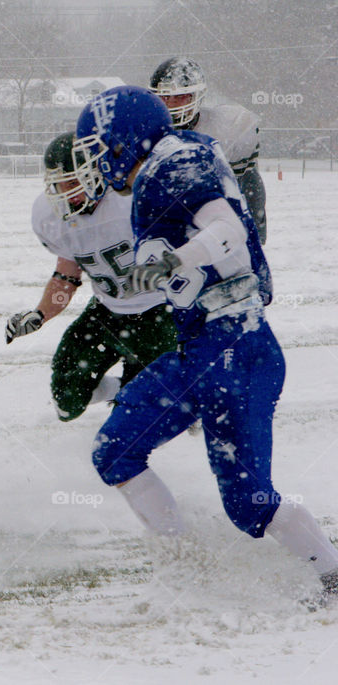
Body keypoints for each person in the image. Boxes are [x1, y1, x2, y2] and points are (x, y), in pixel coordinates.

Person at [74, 85, 338, 602]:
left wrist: (176, 260)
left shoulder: (173, 163)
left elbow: (226, 230)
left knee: (249, 504)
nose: (95, 164)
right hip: (201, 349)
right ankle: (188, 565)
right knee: (115, 451)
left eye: (98, 150)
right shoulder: (163, 165)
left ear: (124, 141)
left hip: (236, 349)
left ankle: (332, 577)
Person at [5, 131, 176, 421]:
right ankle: (126, 388)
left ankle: (176, 395)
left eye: (74, 181)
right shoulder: (51, 216)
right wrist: (40, 314)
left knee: (139, 418)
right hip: (106, 312)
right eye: (59, 183)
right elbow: (66, 276)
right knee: (66, 401)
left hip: (158, 314)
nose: (65, 191)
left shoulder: (133, 200)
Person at [150, 57, 267, 243]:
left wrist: (252, 234)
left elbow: (249, 188)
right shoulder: (147, 133)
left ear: (197, 96)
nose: (171, 104)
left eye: (180, 97)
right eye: (165, 97)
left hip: (217, 231)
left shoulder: (227, 129)